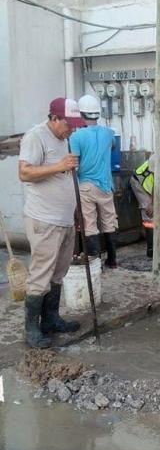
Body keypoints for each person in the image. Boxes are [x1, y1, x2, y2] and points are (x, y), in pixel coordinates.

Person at [18, 97, 86, 348]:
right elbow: (24, 173)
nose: (73, 129)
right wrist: (59, 166)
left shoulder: (64, 139)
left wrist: (76, 210)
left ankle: (51, 318)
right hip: (44, 219)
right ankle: (32, 329)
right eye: (69, 124)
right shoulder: (35, 137)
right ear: (54, 118)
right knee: (41, 274)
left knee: (59, 272)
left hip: (64, 219)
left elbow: (65, 178)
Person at [69, 94, 118, 268]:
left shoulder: (76, 137)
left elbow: (73, 162)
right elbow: (112, 146)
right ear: (97, 114)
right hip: (106, 185)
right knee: (109, 222)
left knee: (89, 224)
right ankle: (112, 260)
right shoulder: (108, 132)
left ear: (81, 114)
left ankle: (95, 263)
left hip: (86, 185)